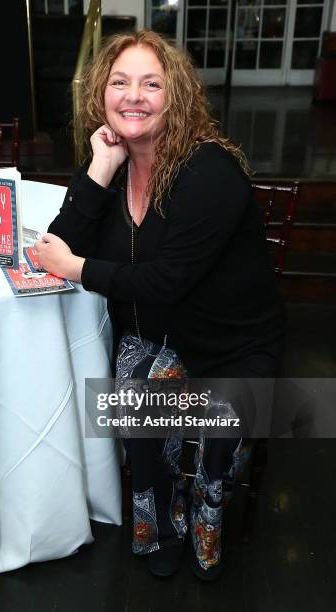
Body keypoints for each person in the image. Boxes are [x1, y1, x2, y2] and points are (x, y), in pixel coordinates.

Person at [34, 30, 285, 580]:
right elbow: (59, 241)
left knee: (219, 438)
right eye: (120, 82)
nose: (134, 96)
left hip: (232, 345)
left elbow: (165, 279)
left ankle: (204, 527)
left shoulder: (208, 168)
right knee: (132, 393)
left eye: (152, 83)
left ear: (176, 95)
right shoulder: (118, 161)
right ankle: (159, 528)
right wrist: (100, 167)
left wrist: (78, 270)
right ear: (101, 93)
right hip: (163, 336)